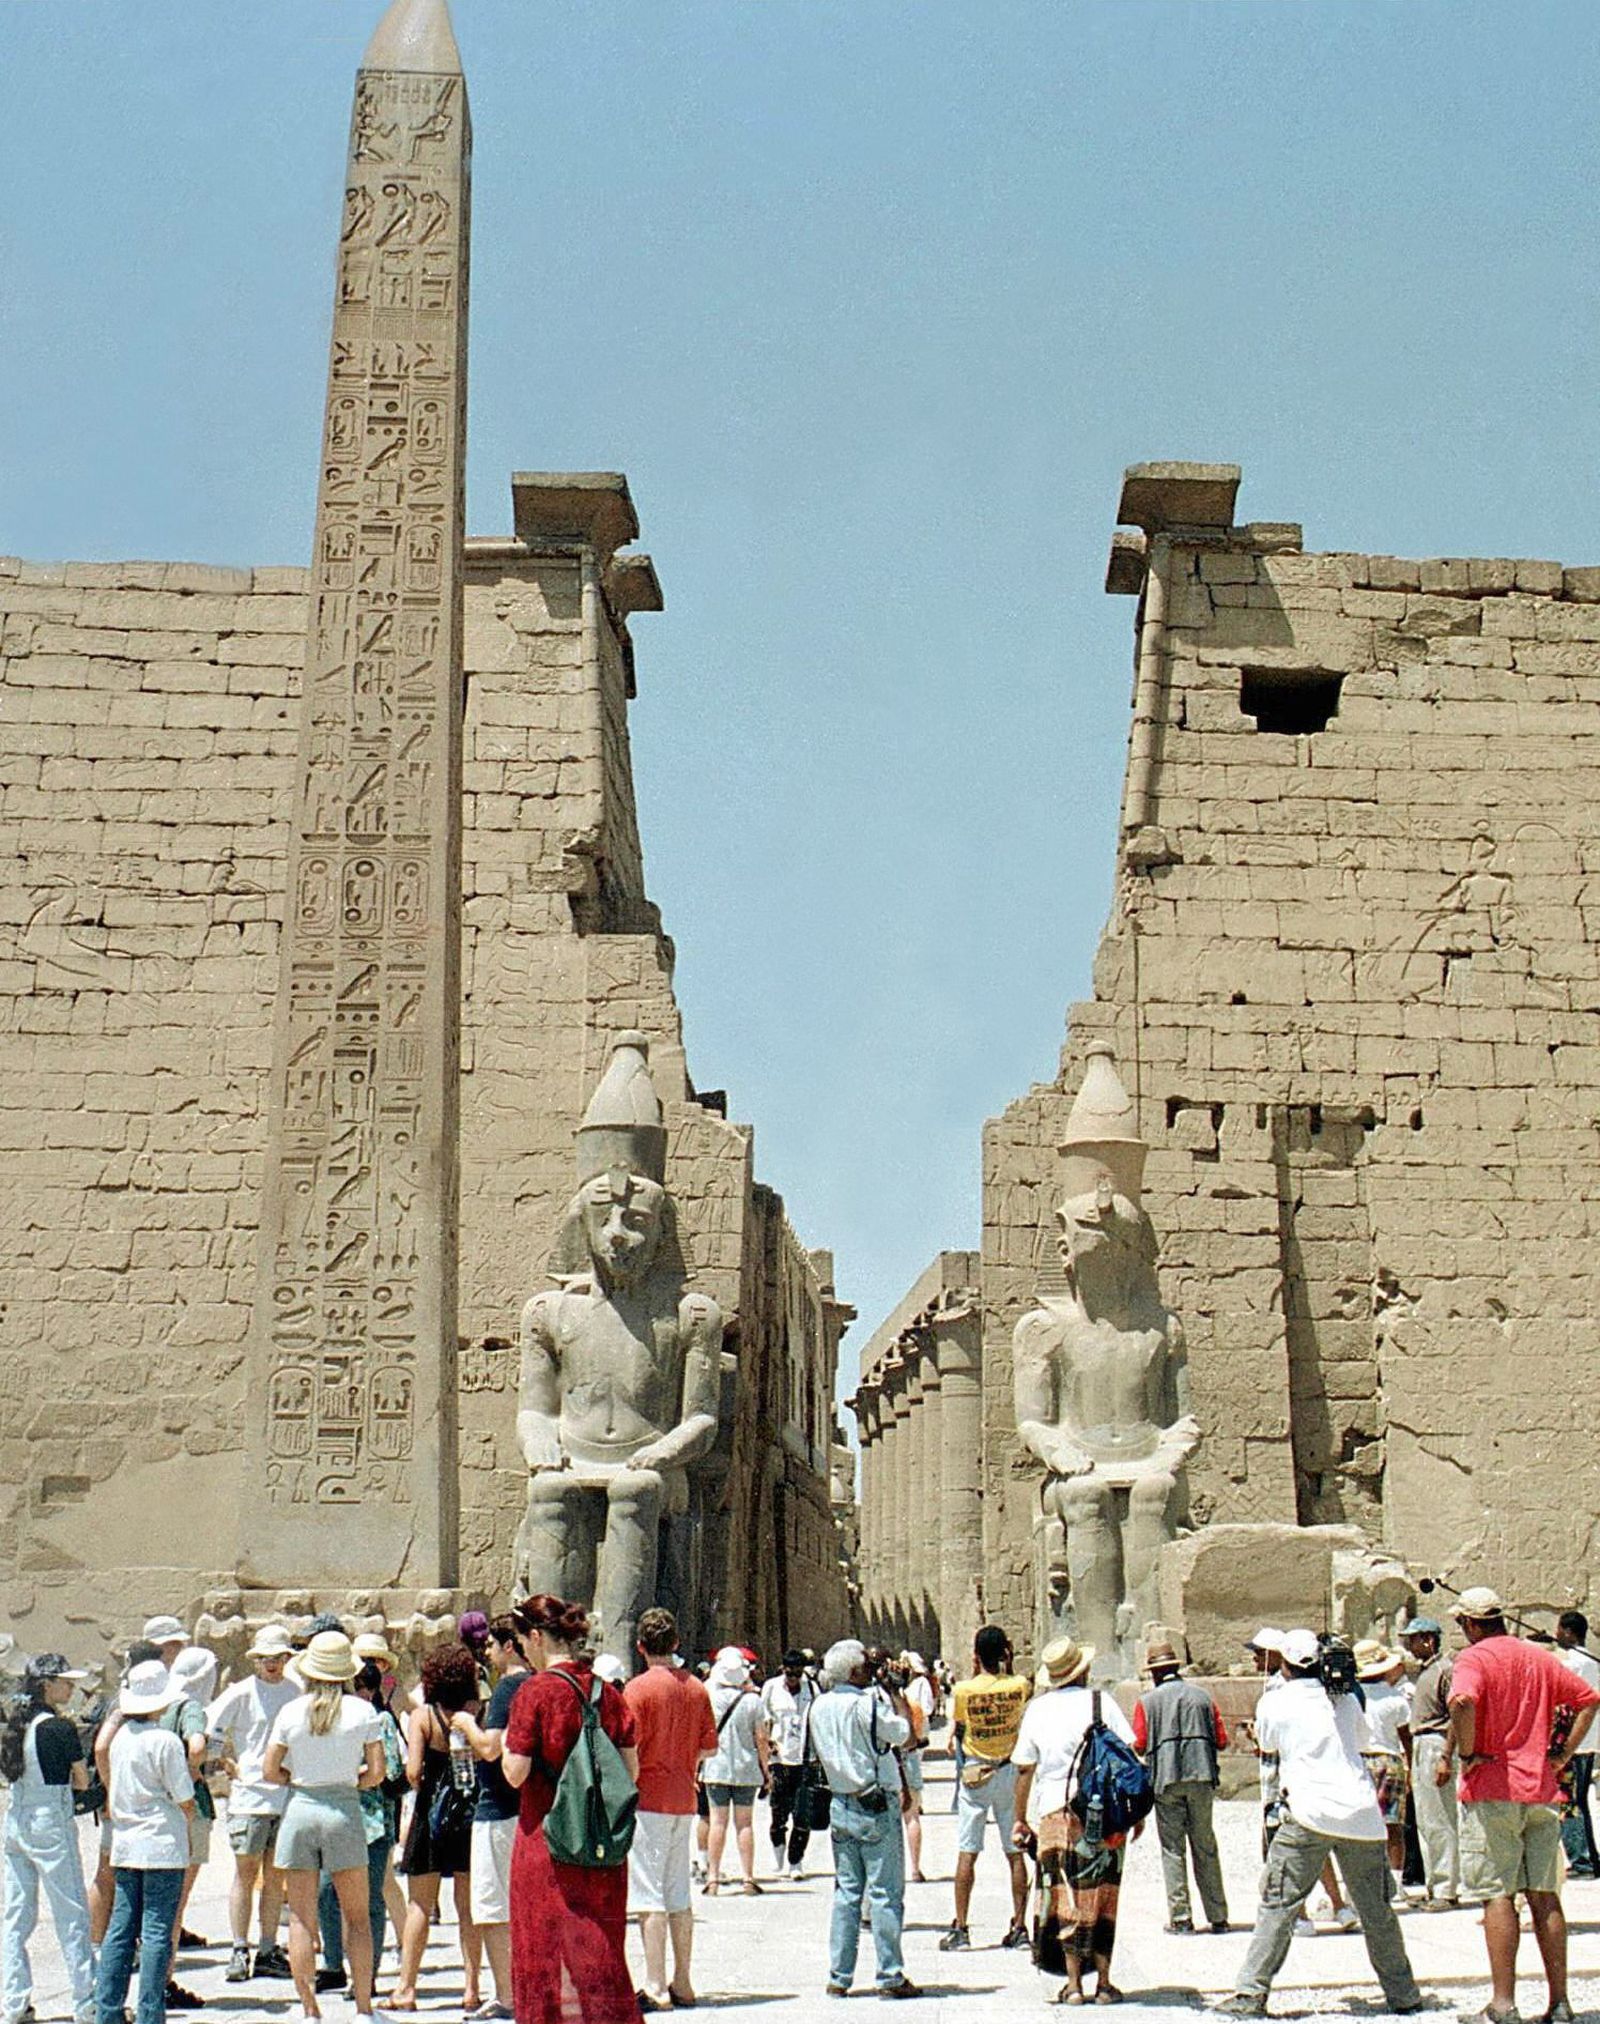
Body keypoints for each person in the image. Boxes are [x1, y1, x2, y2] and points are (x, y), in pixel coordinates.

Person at [1220, 1629, 1424, 2018]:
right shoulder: (1345, 1700)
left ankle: (1251, 1992)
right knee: (1377, 1910)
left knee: (1279, 1903)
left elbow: (1268, 1744)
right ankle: (1403, 1993)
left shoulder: (1276, 1701)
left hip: (1308, 1812)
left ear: (1286, 1663)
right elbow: (1363, 1740)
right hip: (1361, 1815)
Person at [1448, 1585, 1600, 2024]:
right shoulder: (1538, 1656)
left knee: (1498, 1895)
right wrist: (1564, 1754)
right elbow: (1588, 1700)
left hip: (1493, 1787)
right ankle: (1560, 2002)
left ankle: (1502, 2004)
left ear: (1472, 1623)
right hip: (1539, 1787)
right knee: (1545, 1895)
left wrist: (1467, 1751)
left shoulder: (1474, 1658)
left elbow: (1462, 1701)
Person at [501, 1592, 640, 2024]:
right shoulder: (607, 1693)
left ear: (537, 1637)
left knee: (542, 1950)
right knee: (599, 1946)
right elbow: (630, 1770)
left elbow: (516, 1773)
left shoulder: (534, 1692)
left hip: (545, 1840)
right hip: (599, 1843)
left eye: (523, 1641)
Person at [263, 1630, 385, 2022]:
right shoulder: (362, 1712)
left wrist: (295, 1779)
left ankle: (310, 2010)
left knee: (300, 1917)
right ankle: (364, 2008)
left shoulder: (290, 1712)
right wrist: (352, 1781)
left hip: (301, 1807)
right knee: (358, 1918)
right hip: (343, 1809)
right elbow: (377, 1772)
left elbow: (269, 1769)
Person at [1012, 1635, 1138, 2004]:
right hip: (1105, 1812)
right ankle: (1103, 1983)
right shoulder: (1102, 1703)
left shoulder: (1037, 1710)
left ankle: (1073, 1985)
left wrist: (1019, 1819)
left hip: (1054, 1811)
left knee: (1063, 1892)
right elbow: (1128, 1757)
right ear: (1082, 1672)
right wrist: (1133, 1814)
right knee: (1104, 1894)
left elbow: (1024, 1770)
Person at [808, 1639, 918, 2001]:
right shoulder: (868, 1706)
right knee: (885, 1892)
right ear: (854, 1672)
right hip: (874, 1803)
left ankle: (839, 1976)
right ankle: (890, 1975)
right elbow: (908, 1736)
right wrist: (896, 1693)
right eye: (866, 1667)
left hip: (839, 1803)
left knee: (847, 1893)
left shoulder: (817, 1707)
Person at [623, 1607, 718, 2011]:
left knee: (648, 1895)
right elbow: (710, 1746)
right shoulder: (696, 1687)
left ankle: (656, 1984)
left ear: (641, 1646)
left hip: (648, 1799)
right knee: (679, 1892)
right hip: (684, 1797)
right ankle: (684, 1980)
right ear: (675, 1644)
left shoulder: (637, 1690)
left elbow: (629, 1749)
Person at [97, 1660, 195, 2024]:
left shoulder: (120, 1738)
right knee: (156, 1932)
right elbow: (184, 1796)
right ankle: (150, 2013)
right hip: (162, 1845)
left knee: (120, 1930)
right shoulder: (166, 1741)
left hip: (127, 1843)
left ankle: (106, 2009)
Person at [1, 1653, 96, 2024]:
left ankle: (14, 2004)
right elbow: (81, 1781)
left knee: (15, 1917)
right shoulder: (59, 1728)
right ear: (46, 1685)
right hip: (51, 1823)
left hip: (17, 1819)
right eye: (65, 1681)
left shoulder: (17, 1725)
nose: (71, 1687)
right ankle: (87, 2002)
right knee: (71, 1914)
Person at [391, 1642, 482, 2012]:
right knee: (468, 1908)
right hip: (467, 1815)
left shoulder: (423, 1717)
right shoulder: (476, 1712)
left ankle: (406, 1988)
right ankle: (472, 1987)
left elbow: (412, 1771)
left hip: (431, 1815)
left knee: (419, 1905)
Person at [206, 1622, 297, 1982]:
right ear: (256, 1660)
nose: (271, 1664)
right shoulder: (241, 1692)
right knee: (245, 1874)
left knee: (276, 1878)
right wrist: (224, 1764)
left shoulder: (296, 1691)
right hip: (249, 1798)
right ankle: (240, 1947)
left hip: (285, 1796)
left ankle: (269, 1947)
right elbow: (211, 1727)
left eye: (277, 1657)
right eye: (265, 1658)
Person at [450, 1616, 530, 2021]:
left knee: (493, 1905)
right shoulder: (536, 1683)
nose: (487, 1652)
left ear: (509, 1646)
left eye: (493, 1646)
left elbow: (491, 1748)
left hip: (498, 1808)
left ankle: (506, 1993)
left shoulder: (507, 1688)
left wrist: (466, 1723)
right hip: (525, 1808)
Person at [317, 1658, 405, 1996]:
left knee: (369, 1901)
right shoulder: (334, 1720)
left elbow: (390, 1769)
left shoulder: (380, 1720)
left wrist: (346, 1773)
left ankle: (366, 1975)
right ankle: (334, 1963)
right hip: (337, 1815)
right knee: (326, 1892)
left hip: (372, 1821)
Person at [940, 1624, 1031, 1954]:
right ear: (1005, 1654)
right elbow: (1020, 1691)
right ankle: (1020, 1927)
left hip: (976, 1773)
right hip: (1008, 1771)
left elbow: (962, 1724)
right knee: (1015, 1851)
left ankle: (962, 1927)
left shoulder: (963, 1690)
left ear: (976, 1656)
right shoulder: (1019, 1685)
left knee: (968, 1851)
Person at [1132, 1640, 1229, 1936]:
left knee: (1172, 1849)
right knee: (1205, 1845)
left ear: (1155, 1673)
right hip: (1201, 1777)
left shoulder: (1146, 1703)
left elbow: (1139, 1743)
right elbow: (1222, 1740)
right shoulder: (1203, 1697)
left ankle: (1182, 1917)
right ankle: (1218, 1916)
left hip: (1166, 1780)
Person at [1400, 1613, 1457, 1909]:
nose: (1409, 1645)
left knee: (1440, 1817)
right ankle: (1435, 1883)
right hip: (1423, 1741)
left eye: (1413, 1639)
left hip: (1436, 1742)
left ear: (1428, 1640)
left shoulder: (1445, 1670)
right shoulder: (1428, 1671)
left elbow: (1455, 1716)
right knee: (1425, 1817)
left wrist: (1446, 1756)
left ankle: (1447, 1887)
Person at [701, 1647, 768, 1897]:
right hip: (746, 1768)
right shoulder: (753, 1701)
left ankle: (713, 1878)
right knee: (745, 1824)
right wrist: (766, 1769)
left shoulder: (709, 1696)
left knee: (717, 1822)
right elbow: (761, 1737)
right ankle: (748, 1879)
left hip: (715, 1766)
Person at [759, 1649, 818, 1881]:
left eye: (797, 1673)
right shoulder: (771, 1688)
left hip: (804, 1759)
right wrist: (767, 1743)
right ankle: (778, 1855)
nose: (792, 1677)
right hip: (779, 1759)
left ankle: (796, 1861)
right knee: (779, 1812)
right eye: (789, 1672)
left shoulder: (812, 1690)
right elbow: (762, 1719)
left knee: (802, 1815)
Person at [1354, 1640, 1412, 1878]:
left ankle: (1361, 1878)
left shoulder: (1352, 1698)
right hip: (1389, 1760)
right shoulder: (1395, 1698)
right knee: (1393, 1825)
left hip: (1359, 1759)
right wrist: (1411, 1768)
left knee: (1360, 1825)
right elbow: (1406, 1737)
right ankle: (1395, 1881)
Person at [1554, 1610, 1600, 1877]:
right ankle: (1591, 1856)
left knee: (1569, 1801)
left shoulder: (1573, 1663)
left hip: (1574, 1741)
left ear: (1568, 1632)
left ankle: (1581, 1859)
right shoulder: (1592, 1661)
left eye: (1559, 1630)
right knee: (1579, 1800)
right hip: (1589, 1740)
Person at [899, 1654, 936, 1884]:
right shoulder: (912, 1703)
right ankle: (915, 1869)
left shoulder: (879, 1701)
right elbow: (923, 1725)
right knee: (912, 1816)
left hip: (887, 1761)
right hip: (910, 1757)